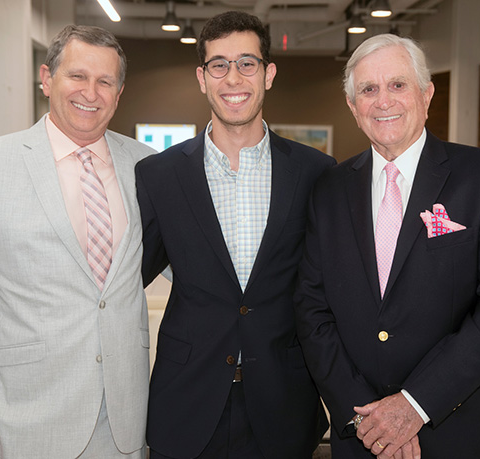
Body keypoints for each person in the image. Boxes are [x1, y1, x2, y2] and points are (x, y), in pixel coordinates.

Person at [294, 33, 480, 459]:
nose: (384, 101)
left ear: (426, 93)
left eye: (398, 84)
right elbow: (312, 310)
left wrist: (413, 406)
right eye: (368, 89)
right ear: (352, 106)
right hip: (364, 434)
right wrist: (367, 418)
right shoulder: (327, 189)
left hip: (464, 428)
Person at [0, 25, 155, 459]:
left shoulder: (146, 166)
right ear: (46, 78)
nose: (90, 92)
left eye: (105, 81)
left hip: (124, 421)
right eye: (77, 75)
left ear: (120, 91)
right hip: (21, 418)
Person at [135, 11, 333, 459]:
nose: (233, 78)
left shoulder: (316, 173)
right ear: (202, 78)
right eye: (219, 65)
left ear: (269, 73)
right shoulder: (159, 176)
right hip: (186, 401)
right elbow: (130, 277)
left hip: (283, 402)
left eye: (247, 62)